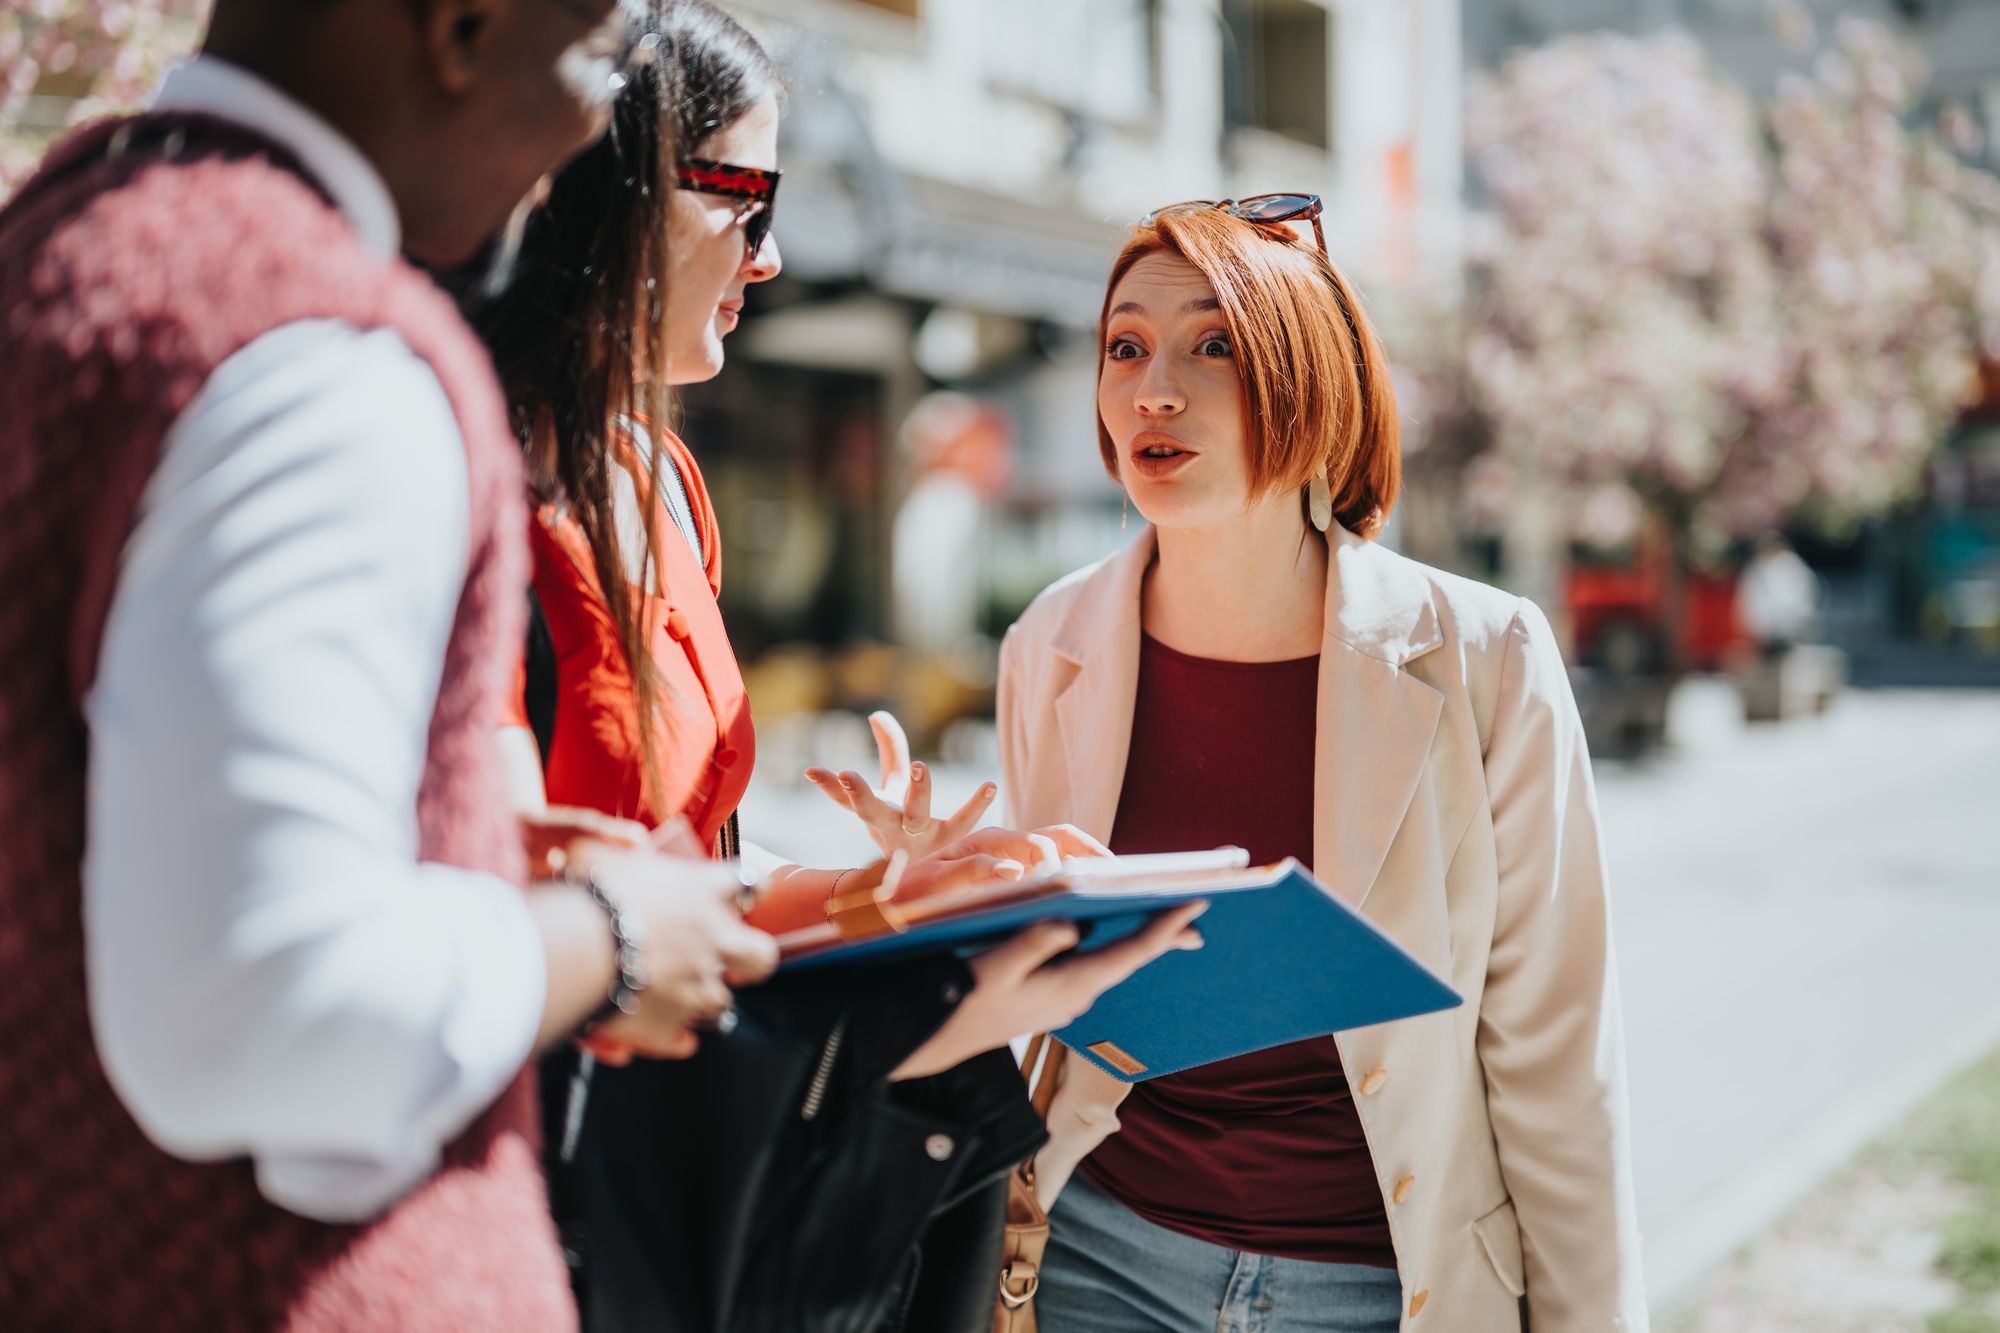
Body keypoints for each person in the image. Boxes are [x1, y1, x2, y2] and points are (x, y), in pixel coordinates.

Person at [0, 0, 783, 1327]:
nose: (598, 127)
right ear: (461, 27)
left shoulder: (68, 237)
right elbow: (257, 1004)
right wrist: (611, 934)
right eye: (597, 56)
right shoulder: (325, 354)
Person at [469, 4, 1205, 1327]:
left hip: (696, 1154)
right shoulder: (468, 479)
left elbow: (690, 879)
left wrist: (889, 897)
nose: (772, 254)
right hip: (548, 1186)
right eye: (747, 201)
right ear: (615, 186)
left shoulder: (665, 480)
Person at [995, 200, 1647, 1332]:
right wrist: (933, 897)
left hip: (1385, 1286)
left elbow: (1553, 1057)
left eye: (1213, 346)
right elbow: (1040, 1002)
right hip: (1096, 1261)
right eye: (1124, 345)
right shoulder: (1047, 645)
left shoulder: (1482, 656)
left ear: (1307, 381)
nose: (1154, 387)